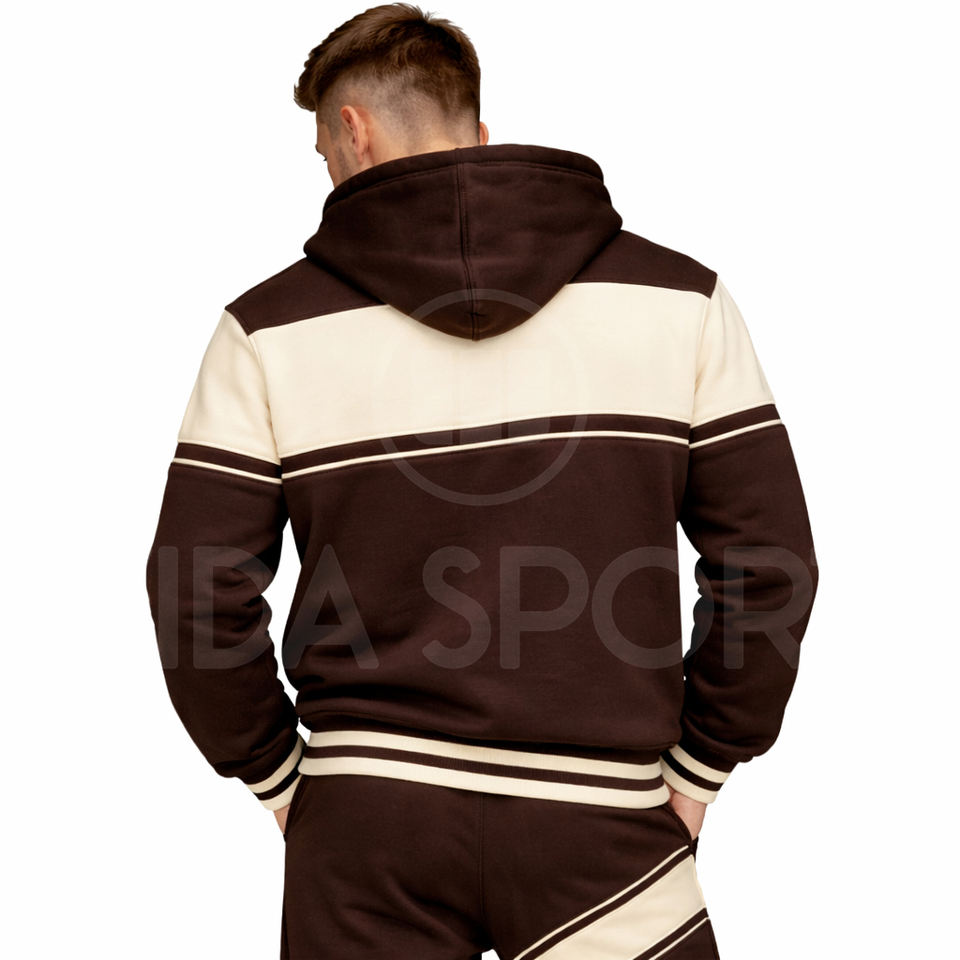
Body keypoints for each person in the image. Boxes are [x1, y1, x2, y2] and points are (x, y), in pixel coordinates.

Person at [145, 4, 819, 957]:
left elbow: (194, 589)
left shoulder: (266, 330)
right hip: (605, 826)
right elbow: (771, 561)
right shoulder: (681, 301)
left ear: (352, 131)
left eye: (320, 152)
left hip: (371, 830)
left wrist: (279, 779)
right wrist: (702, 765)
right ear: (478, 130)